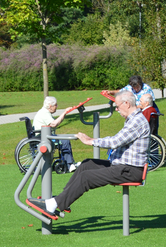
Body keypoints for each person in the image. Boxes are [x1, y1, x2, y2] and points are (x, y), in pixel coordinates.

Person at [27, 90, 150, 220]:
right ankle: (62, 199)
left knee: (86, 177)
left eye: (118, 106)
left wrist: (90, 141)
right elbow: (117, 138)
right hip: (122, 166)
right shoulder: (133, 119)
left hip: (130, 170)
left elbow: (115, 142)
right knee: (87, 164)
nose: (117, 109)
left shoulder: (136, 121)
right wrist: (92, 140)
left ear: (127, 104)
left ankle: (53, 204)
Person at [32, 96, 76, 169]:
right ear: (50, 106)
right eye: (55, 105)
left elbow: (56, 123)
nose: (57, 106)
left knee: (64, 138)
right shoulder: (44, 113)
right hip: (43, 138)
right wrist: (64, 112)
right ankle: (69, 164)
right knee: (65, 140)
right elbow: (54, 124)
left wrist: (65, 114)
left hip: (44, 136)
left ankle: (70, 163)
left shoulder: (45, 112)